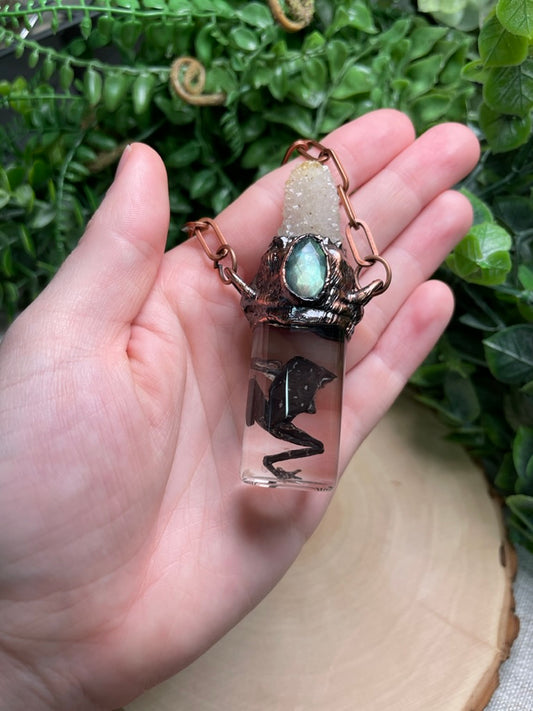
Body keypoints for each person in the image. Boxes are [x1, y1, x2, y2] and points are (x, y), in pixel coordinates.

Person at [0, 110, 479, 710]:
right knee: (286, 427)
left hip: (306, 342)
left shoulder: (320, 270)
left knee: (296, 430)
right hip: (288, 344)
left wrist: (22, 664)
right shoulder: (287, 270)